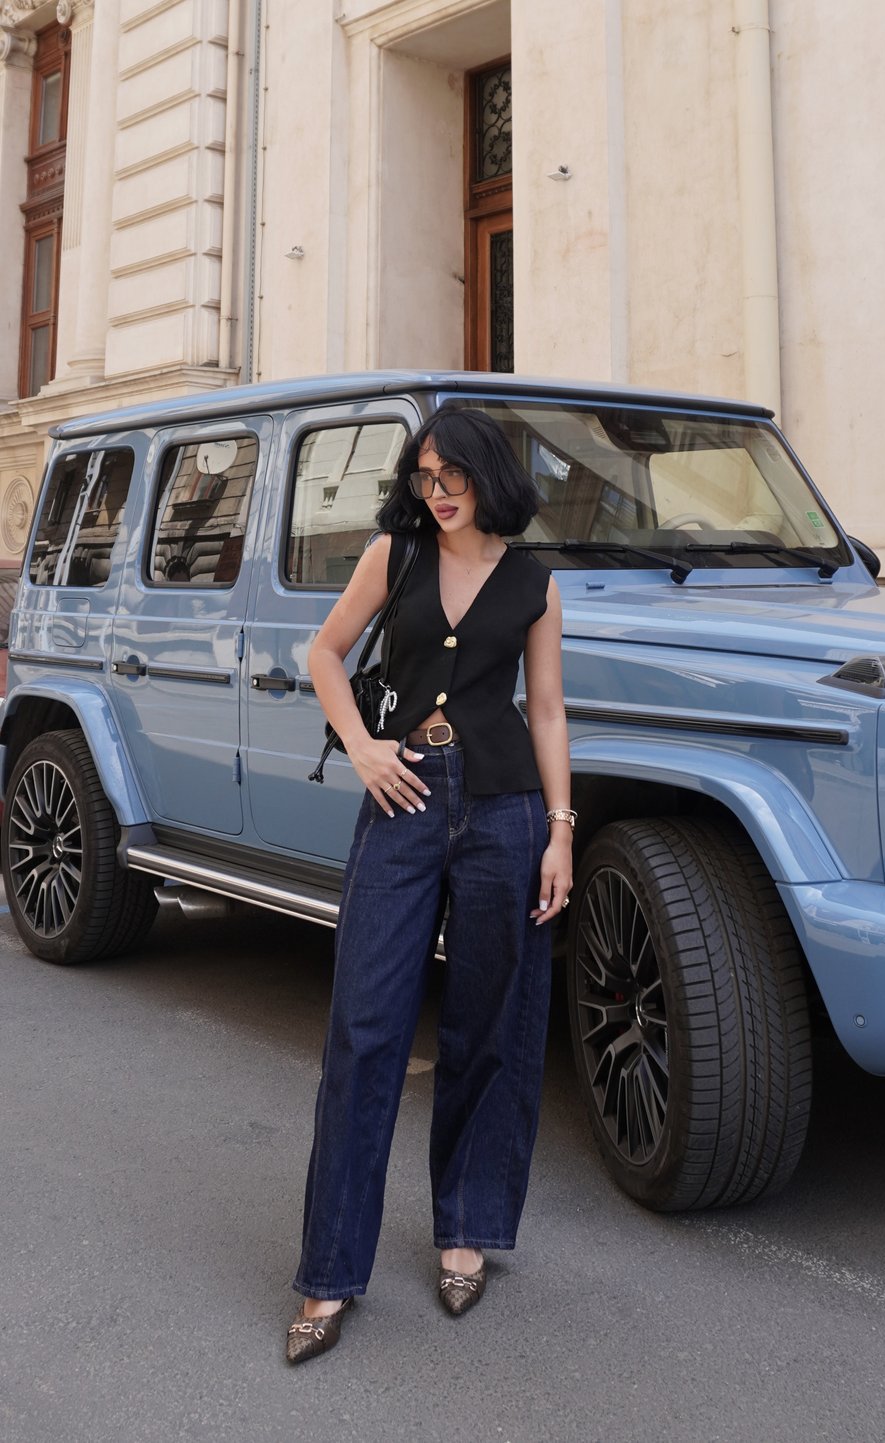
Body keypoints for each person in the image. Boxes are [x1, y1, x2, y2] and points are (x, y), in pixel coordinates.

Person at [286, 406, 573, 1364]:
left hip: (505, 813)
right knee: (366, 1028)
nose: (437, 491)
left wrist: (561, 831)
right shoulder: (394, 555)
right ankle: (329, 1271)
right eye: (424, 476)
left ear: (490, 474)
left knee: (491, 1024)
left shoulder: (533, 581)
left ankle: (466, 1228)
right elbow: (323, 654)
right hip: (403, 803)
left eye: (452, 475)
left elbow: (546, 709)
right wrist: (364, 750)